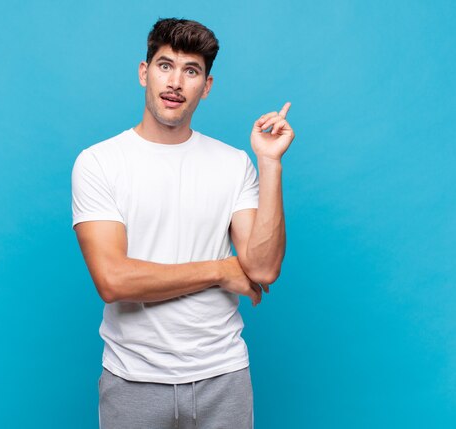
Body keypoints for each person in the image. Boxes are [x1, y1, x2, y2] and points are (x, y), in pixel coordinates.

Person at [71, 17, 295, 429]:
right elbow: (113, 280)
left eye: (191, 71)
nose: (175, 81)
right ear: (144, 73)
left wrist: (269, 162)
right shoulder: (99, 163)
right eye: (165, 65)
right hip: (132, 379)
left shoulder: (233, 164)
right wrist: (219, 270)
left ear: (206, 86)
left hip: (223, 376)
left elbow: (262, 269)